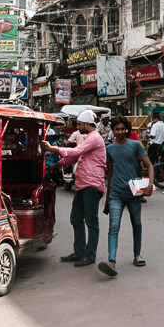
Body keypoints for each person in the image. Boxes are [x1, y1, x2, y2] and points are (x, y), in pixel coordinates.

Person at [41, 110, 107, 266]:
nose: (77, 127)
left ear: (86, 124)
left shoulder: (95, 138)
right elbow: (76, 156)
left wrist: (53, 149)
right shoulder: (87, 138)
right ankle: (79, 252)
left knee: (91, 221)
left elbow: (76, 151)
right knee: (76, 218)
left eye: (79, 124)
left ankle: (89, 255)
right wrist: (57, 165)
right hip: (82, 184)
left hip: (92, 184)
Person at [100, 116, 154, 276]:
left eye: (123, 129)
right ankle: (111, 262)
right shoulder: (109, 149)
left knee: (136, 224)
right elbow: (110, 173)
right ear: (113, 131)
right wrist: (108, 197)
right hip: (116, 193)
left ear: (127, 130)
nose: (120, 131)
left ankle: (137, 254)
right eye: (117, 129)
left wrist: (150, 184)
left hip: (134, 193)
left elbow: (149, 164)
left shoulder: (135, 145)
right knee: (113, 227)